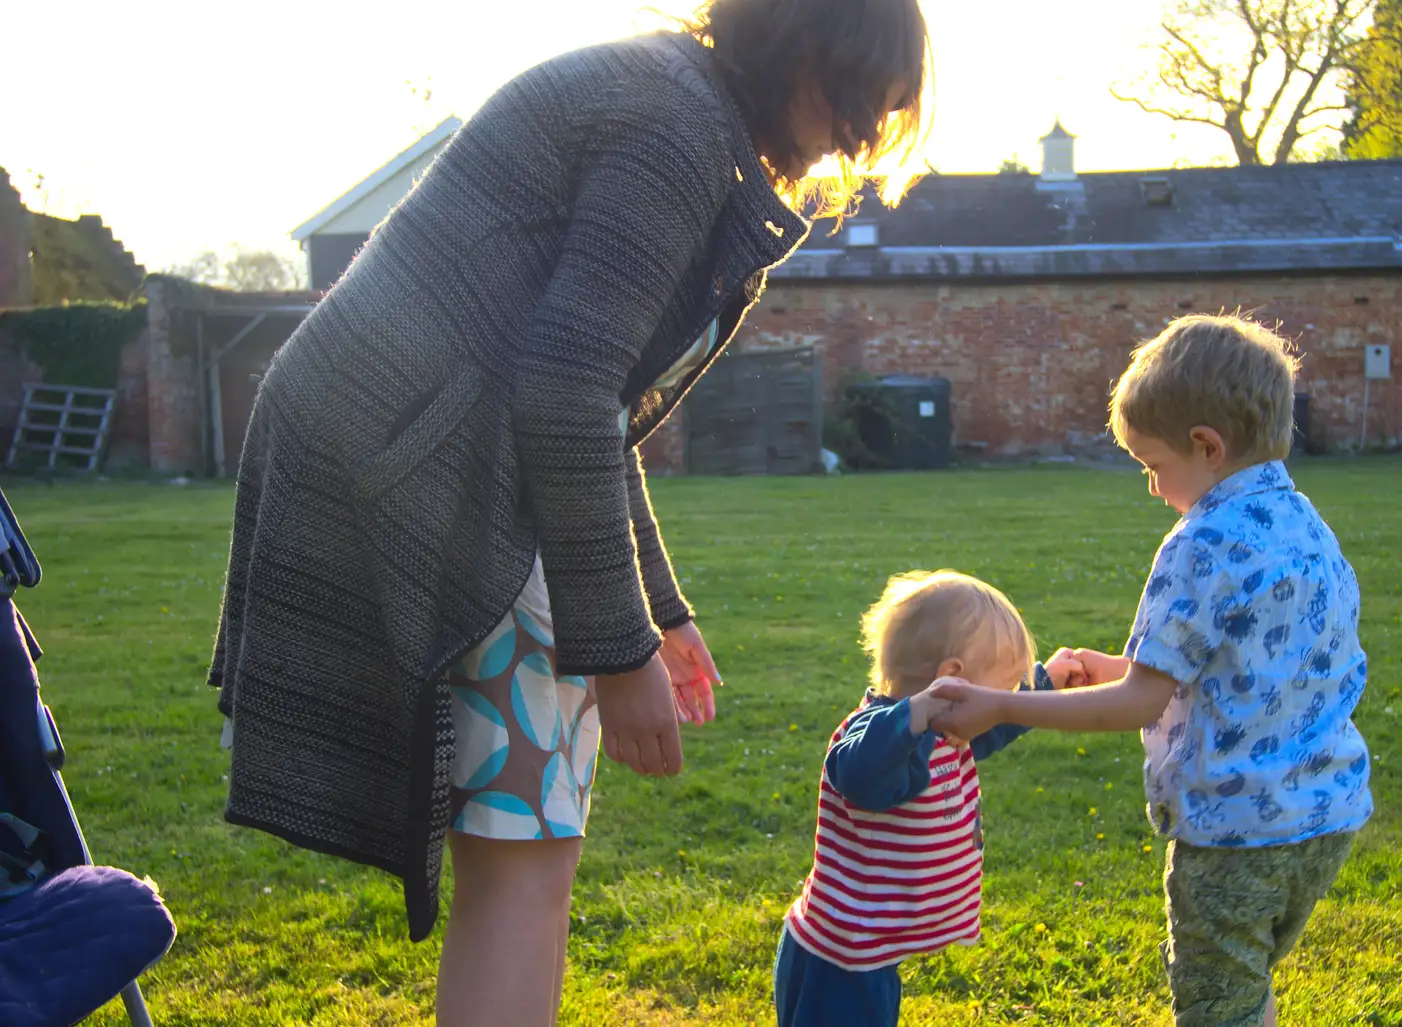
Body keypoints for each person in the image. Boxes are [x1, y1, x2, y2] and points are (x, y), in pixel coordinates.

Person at [206, 1, 930, 1023]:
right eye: (858, 100)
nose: (854, 140)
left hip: (428, 443)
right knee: (524, 856)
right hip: (422, 461)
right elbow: (561, 387)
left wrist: (657, 614)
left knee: (529, 850)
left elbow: (588, 401)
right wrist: (615, 645)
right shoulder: (676, 126)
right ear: (804, 51)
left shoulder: (678, 100)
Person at [931, 314, 1374, 1027]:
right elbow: (1235, 666)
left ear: (1207, 445)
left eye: (1153, 465)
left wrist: (1000, 704)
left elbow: (1138, 703)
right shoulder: (1303, 522)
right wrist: (1115, 665)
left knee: (1213, 1007)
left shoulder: (1199, 541)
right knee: (1241, 983)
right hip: (1324, 820)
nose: (1152, 486)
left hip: (1235, 837)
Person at [776, 570, 1054, 1027]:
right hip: (837, 961)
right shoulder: (878, 734)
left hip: (873, 956)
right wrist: (914, 714)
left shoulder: (945, 733)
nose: (1006, 702)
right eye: (1002, 692)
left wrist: (1048, 683)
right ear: (951, 682)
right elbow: (859, 772)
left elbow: (996, 725)